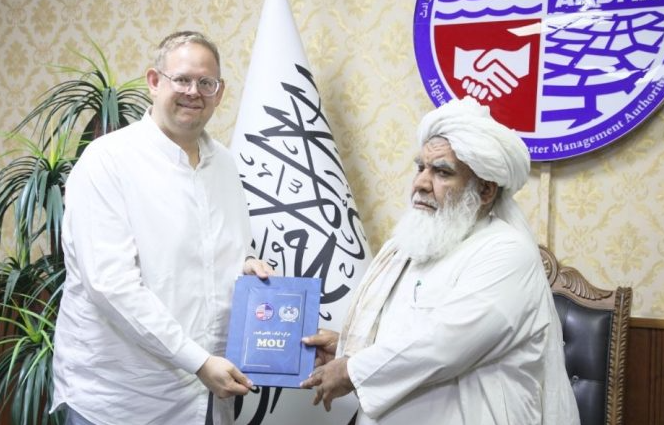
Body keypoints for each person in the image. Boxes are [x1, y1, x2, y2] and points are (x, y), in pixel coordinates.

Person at [300, 97, 580, 425]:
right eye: (421, 167)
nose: (420, 183)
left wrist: (352, 369)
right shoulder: (412, 247)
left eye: (442, 172)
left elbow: (444, 344)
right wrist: (346, 348)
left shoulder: (507, 252)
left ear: (485, 190)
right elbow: (404, 331)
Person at [51, 31, 273, 425]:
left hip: (205, 399)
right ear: (154, 82)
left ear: (220, 92)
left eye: (206, 83)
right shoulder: (107, 161)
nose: (194, 92)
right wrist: (198, 360)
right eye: (182, 79)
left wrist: (245, 267)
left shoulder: (225, 165)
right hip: (122, 402)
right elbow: (111, 285)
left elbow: (213, 253)